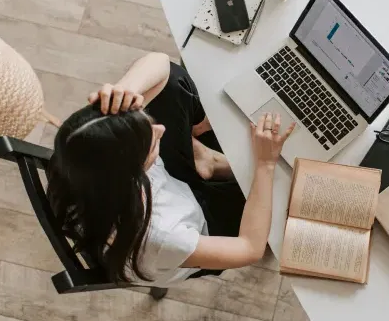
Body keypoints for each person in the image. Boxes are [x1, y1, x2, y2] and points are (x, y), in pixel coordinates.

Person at [46, 52, 295, 287]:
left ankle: (205, 161)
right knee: (284, 193)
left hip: (167, 191)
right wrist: (266, 163)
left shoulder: (79, 154)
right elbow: (250, 248)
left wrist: (126, 89)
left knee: (173, 82)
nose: (160, 130)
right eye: (151, 140)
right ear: (133, 172)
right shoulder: (163, 237)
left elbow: (161, 65)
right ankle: (208, 162)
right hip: (201, 225)